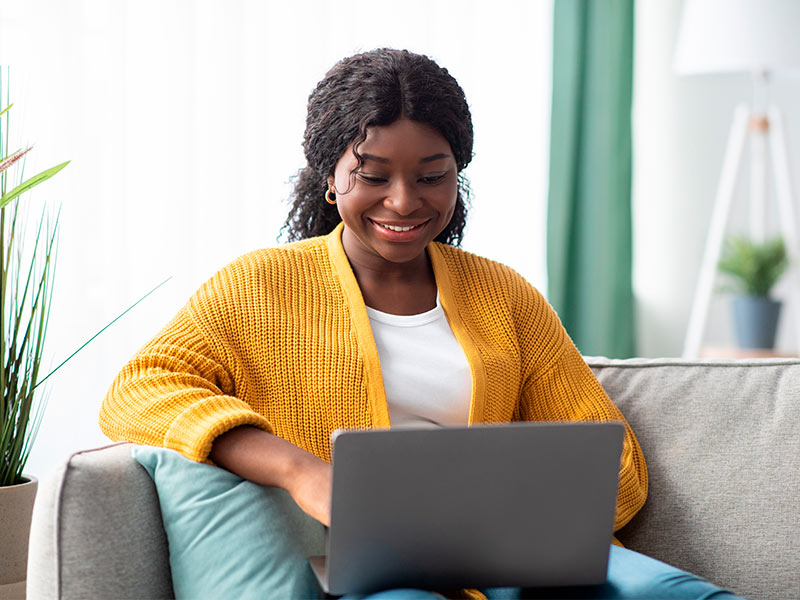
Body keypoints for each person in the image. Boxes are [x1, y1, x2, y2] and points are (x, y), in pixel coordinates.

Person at [100, 48, 740, 600]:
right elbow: (138, 390)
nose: (404, 202)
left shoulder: (504, 294)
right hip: (378, 566)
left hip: (519, 553)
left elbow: (613, 455)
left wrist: (530, 504)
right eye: (372, 177)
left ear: (457, 176)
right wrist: (301, 471)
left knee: (671, 592)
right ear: (330, 178)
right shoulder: (259, 286)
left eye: (432, 177)